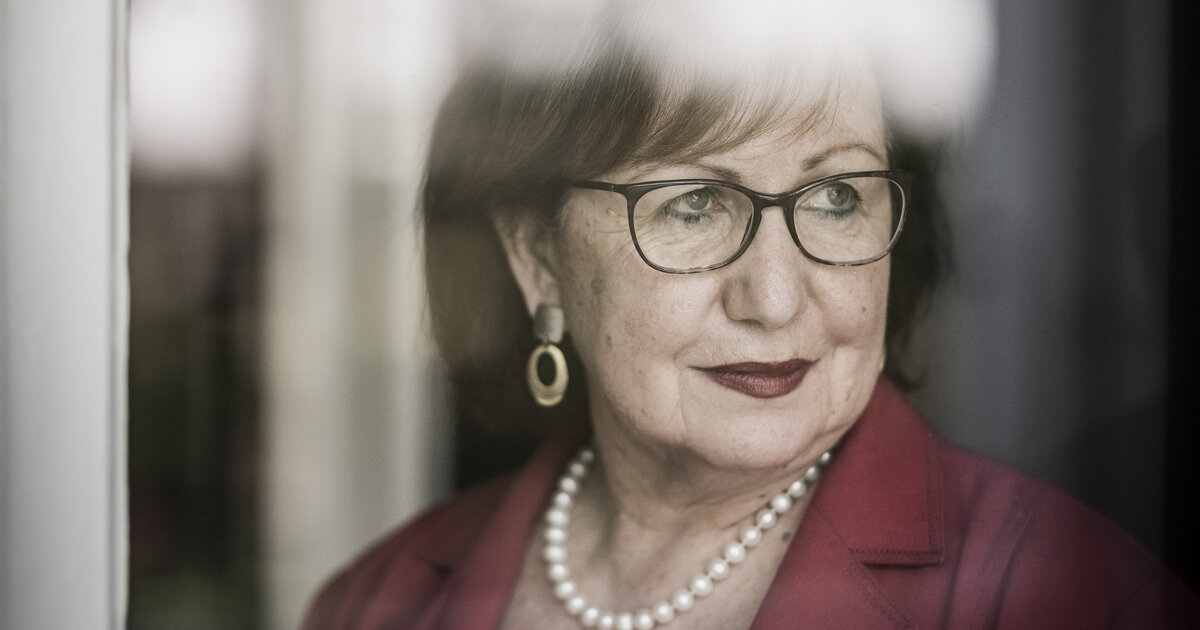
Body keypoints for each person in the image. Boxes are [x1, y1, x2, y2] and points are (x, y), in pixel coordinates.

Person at [304, 3, 1200, 629]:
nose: (774, 297)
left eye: (837, 197)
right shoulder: (376, 603)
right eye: (694, 206)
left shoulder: (1079, 598)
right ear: (538, 257)